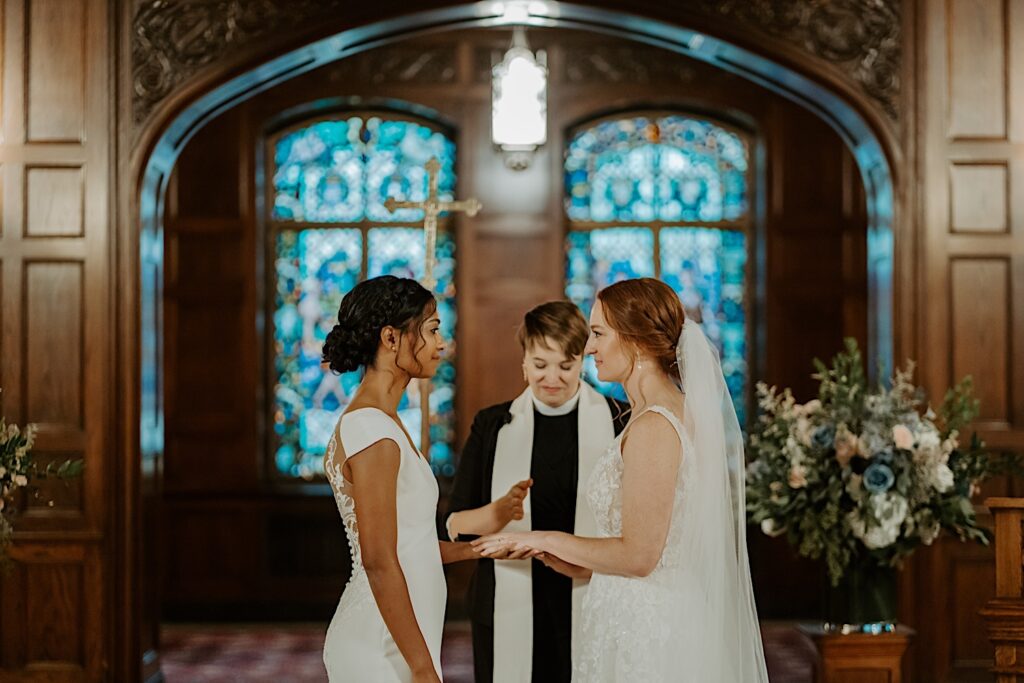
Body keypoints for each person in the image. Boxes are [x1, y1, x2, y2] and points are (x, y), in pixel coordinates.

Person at [474, 279, 769, 681]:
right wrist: (578, 564)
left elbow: (640, 556)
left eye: (597, 334)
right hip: (634, 612)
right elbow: (662, 548)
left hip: (648, 632)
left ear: (634, 339)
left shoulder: (655, 426)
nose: (590, 347)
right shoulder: (657, 414)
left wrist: (539, 538)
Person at [444, 301, 629, 683]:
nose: (553, 378)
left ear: (583, 360)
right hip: (504, 601)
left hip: (594, 595)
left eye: (566, 365)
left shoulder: (619, 420)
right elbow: (454, 524)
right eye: (541, 364)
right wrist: (496, 513)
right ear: (524, 362)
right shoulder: (493, 425)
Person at [321, 275, 475, 683]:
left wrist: (480, 550)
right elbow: (378, 559)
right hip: (381, 646)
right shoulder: (371, 428)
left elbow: (410, 544)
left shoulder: (386, 422)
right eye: (432, 330)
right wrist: (422, 668)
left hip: (403, 640)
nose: (442, 343)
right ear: (391, 338)